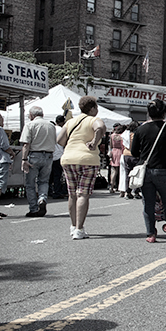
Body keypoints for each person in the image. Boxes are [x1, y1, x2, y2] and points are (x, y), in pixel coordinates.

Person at [131, 99, 166, 243]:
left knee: (148, 203)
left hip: (145, 170)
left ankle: (151, 234)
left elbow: (134, 151)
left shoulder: (141, 129)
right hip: (163, 169)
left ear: (149, 113)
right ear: (164, 112)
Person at [58, 96, 106, 240]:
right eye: (96, 107)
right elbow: (101, 128)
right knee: (83, 194)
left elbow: (59, 140)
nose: (97, 110)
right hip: (87, 159)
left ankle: (73, 226)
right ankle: (79, 229)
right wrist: (94, 141)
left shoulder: (70, 121)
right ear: (92, 109)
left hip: (68, 159)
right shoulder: (93, 120)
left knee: (72, 194)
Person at [20, 106, 57, 217]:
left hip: (34, 155)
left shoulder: (30, 125)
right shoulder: (51, 125)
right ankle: (42, 199)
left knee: (30, 183)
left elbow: (26, 144)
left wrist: (24, 159)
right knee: (44, 181)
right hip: (48, 155)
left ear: (31, 115)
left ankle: (33, 208)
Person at [121, 121, 141, 200]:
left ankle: (128, 191)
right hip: (135, 155)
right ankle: (136, 192)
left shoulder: (125, 135)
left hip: (126, 154)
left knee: (127, 173)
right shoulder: (135, 135)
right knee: (136, 174)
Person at [49, 115, 67, 199]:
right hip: (59, 154)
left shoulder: (51, 129)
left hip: (50, 154)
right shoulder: (62, 130)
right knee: (58, 175)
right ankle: (58, 191)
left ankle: (49, 191)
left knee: (50, 175)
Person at [108, 124, 125, 194]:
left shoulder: (112, 136)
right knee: (121, 171)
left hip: (114, 151)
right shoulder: (122, 136)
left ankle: (111, 186)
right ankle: (120, 188)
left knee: (114, 171)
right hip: (121, 151)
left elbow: (111, 145)